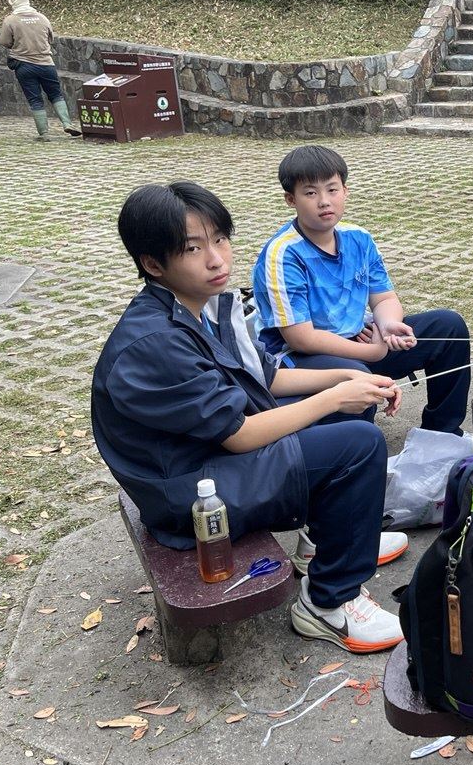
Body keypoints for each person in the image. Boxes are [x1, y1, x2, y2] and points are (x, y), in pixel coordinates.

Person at [91, 182, 411, 654]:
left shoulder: (203, 306)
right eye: (193, 249)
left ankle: (326, 541)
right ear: (153, 264)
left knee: (343, 407)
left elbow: (266, 378)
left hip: (208, 458)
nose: (216, 259)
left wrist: (347, 374)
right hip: (189, 492)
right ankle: (329, 603)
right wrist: (334, 397)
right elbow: (239, 435)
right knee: (358, 445)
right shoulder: (154, 343)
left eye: (220, 239)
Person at [252, 145, 471, 436]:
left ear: (345, 191)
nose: (324, 201)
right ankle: (359, 450)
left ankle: (441, 434)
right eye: (310, 193)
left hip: (361, 339)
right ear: (291, 199)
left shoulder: (358, 238)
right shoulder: (283, 254)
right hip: (300, 358)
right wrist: (372, 350)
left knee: (448, 327)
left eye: (332, 189)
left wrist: (388, 327)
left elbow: (384, 298)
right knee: (360, 381)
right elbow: (301, 338)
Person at [0, 0, 81, 143]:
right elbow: (50, 38)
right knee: (56, 95)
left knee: (35, 99)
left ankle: (44, 133)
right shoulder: (42, 18)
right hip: (46, 64)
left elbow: (4, 42)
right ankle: (67, 123)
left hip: (24, 66)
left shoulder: (10, 20)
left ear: (13, 2)